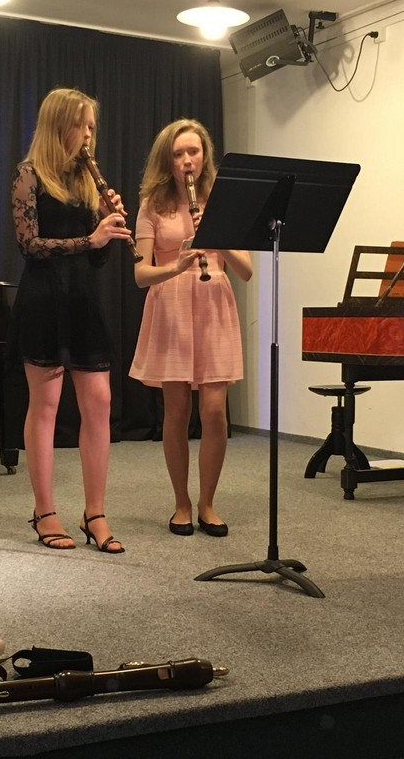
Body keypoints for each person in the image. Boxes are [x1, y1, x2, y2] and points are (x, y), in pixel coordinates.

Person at [7, 88, 131, 554]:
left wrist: (106, 229)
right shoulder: (28, 175)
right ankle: (45, 511)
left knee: (99, 402)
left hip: (83, 302)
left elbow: (96, 261)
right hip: (43, 301)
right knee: (46, 406)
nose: (88, 135)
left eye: (92, 127)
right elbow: (30, 246)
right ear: (60, 125)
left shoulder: (87, 184)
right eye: (81, 125)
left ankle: (94, 512)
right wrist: (89, 239)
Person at [129, 119, 252, 537]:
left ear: (205, 155)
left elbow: (246, 270)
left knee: (214, 411)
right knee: (177, 411)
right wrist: (175, 266)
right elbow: (141, 275)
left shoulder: (224, 201)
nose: (186, 160)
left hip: (214, 303)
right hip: (172, 304)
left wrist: (218, 239)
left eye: (193, 152)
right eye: (178, 153)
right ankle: (181, 503)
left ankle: (207, 503)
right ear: (168, 160)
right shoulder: (152, 204)